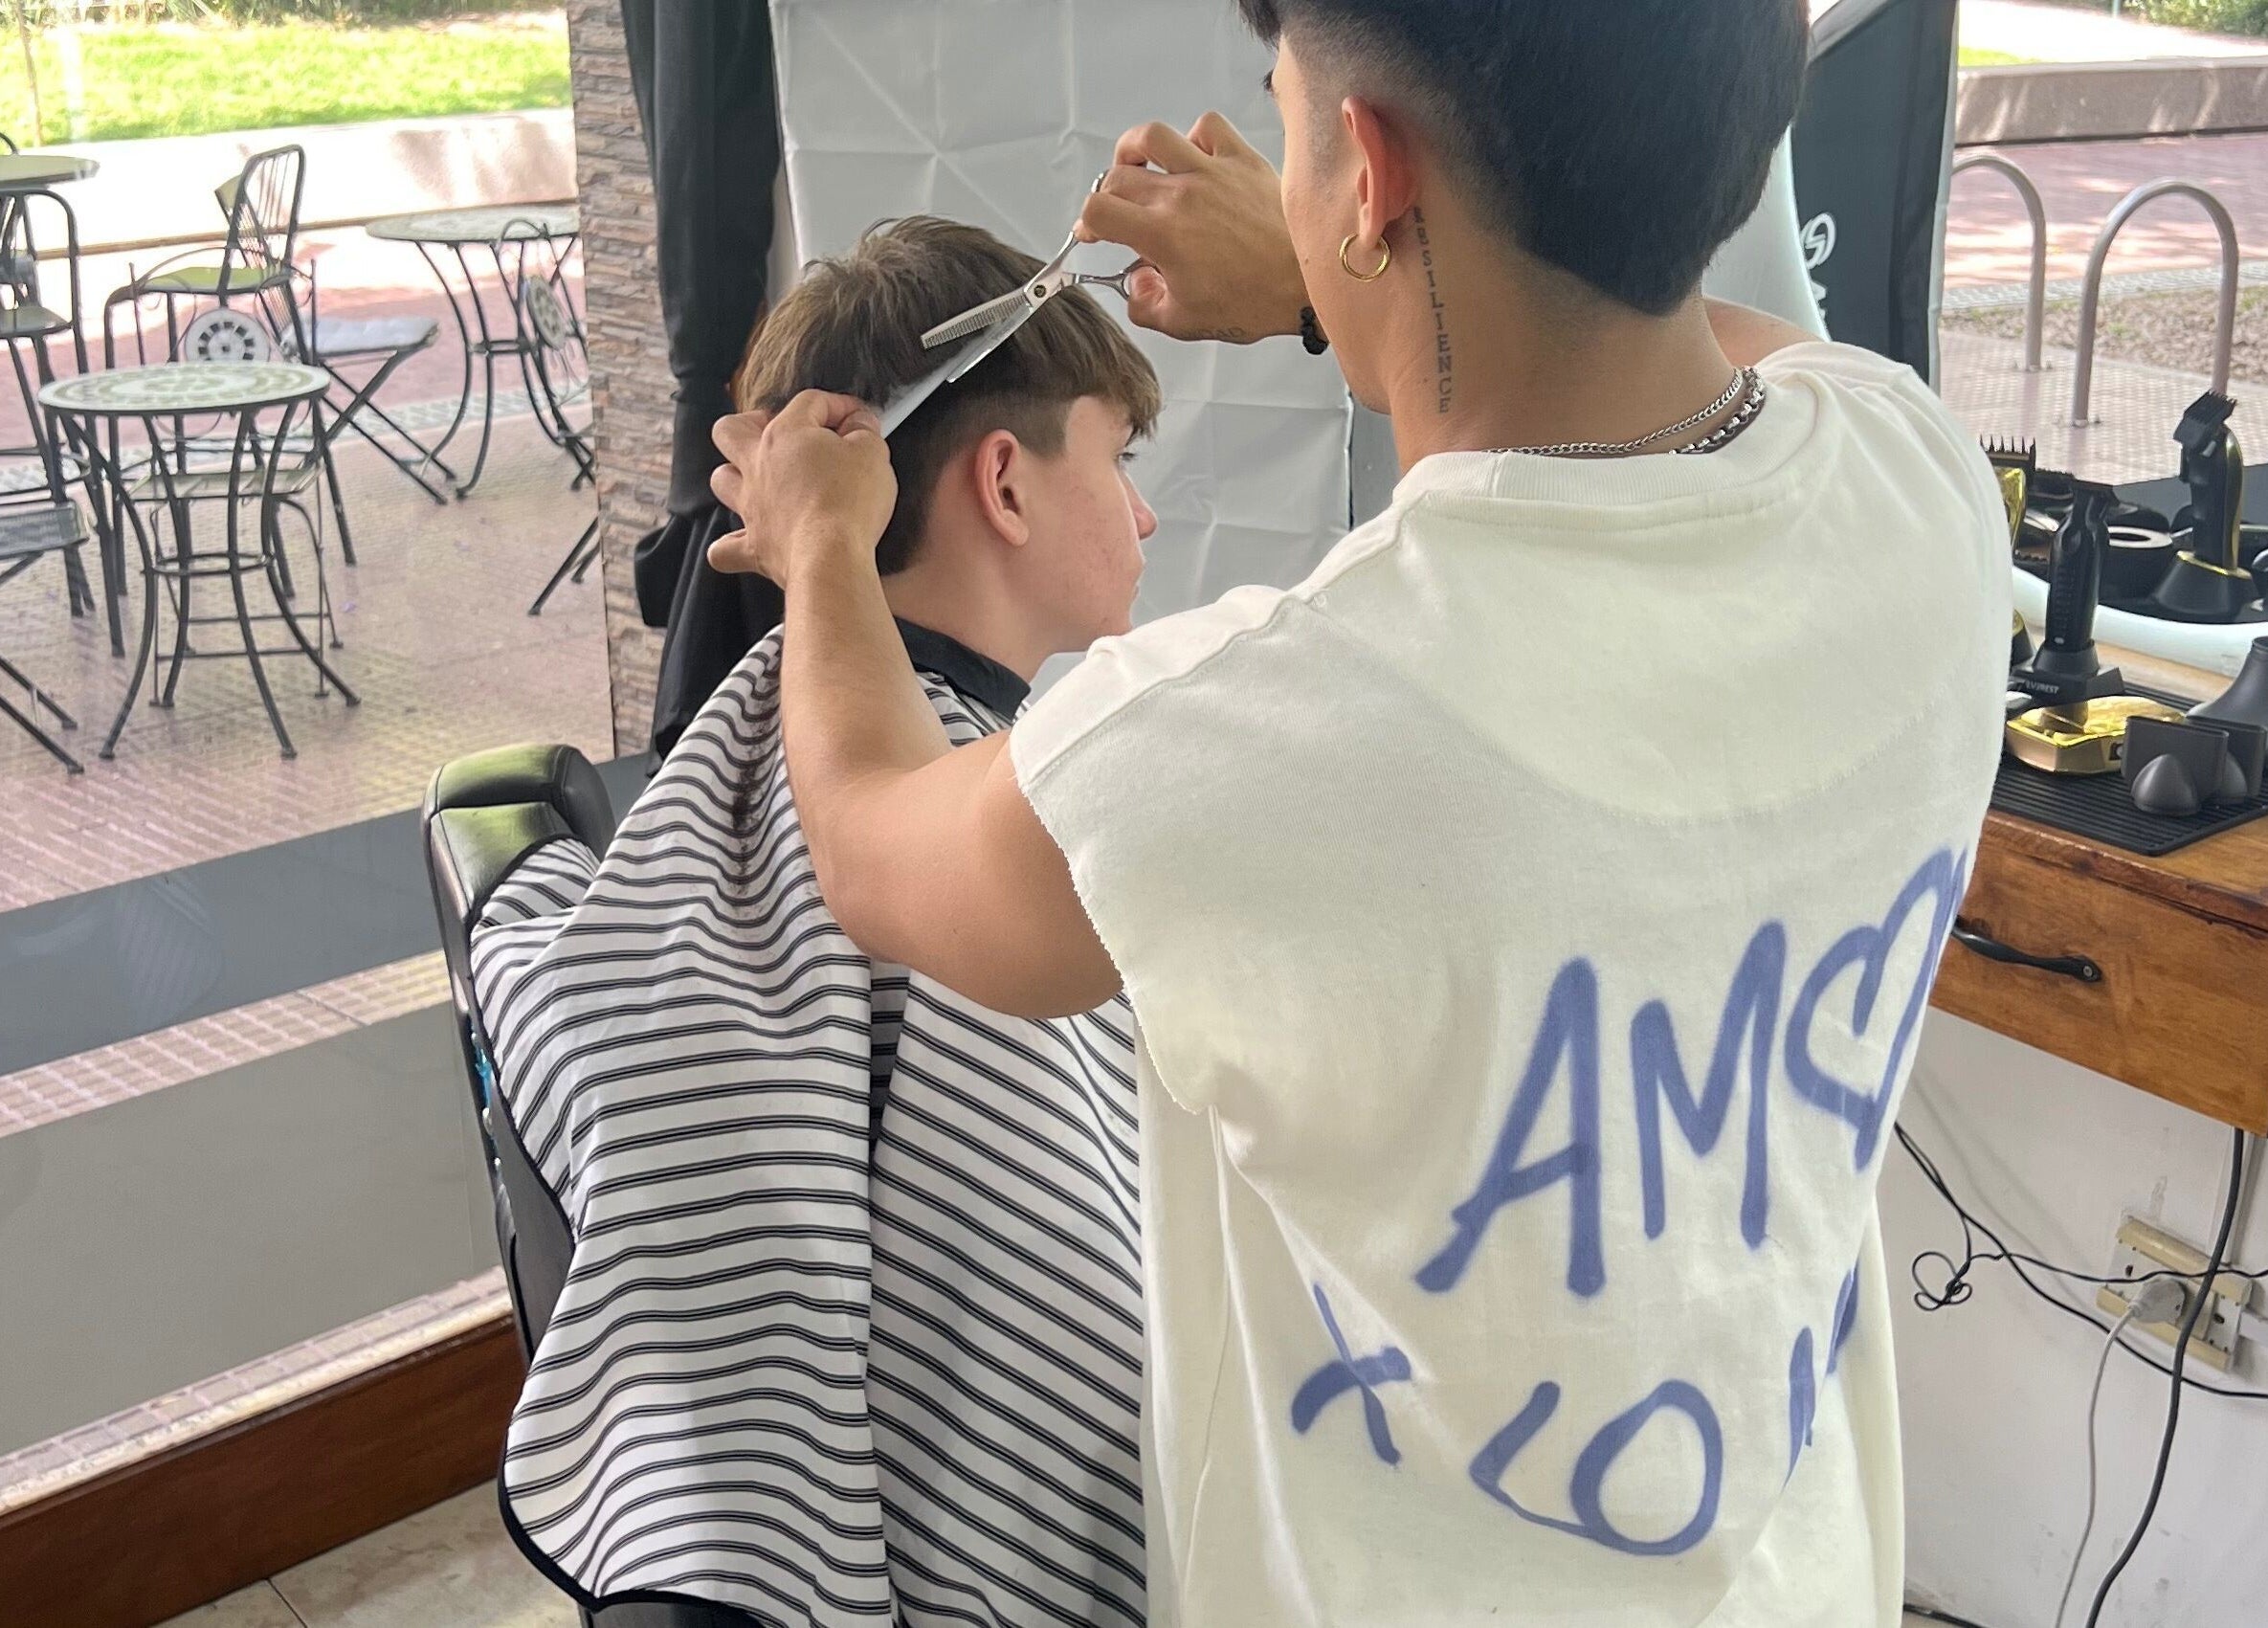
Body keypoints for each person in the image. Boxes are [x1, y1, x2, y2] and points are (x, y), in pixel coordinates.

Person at [708, 2, 2010, 1624]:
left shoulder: (1263, 737)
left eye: (1289, 111)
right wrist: (1358, 280)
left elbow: (877, 844)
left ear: (1370, 173)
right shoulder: (1920, 485)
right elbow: (1717, 347)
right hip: (1794, 1576)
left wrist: (822, 540)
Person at [468, 217, 1162, 1627]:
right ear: (1007, 483)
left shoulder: (767, 754)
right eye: (1120, 459)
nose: (1144, 515)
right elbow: (1090, 1374)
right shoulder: (1006, 839)